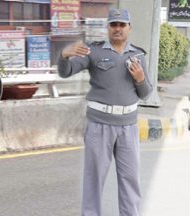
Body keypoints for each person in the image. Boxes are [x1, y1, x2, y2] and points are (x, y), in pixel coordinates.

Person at [58, 9, 153, 216]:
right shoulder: (94, 52)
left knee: (130, 180)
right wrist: (64, 55)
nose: (117, 28)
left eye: (121, 24)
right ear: (108, 28)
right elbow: (65, 72)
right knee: (94, 179)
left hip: (128, 126)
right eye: (113, 24)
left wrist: (140, 79)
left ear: (129, 28)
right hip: (99, 125)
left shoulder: (138, 55)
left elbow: (146, 94)